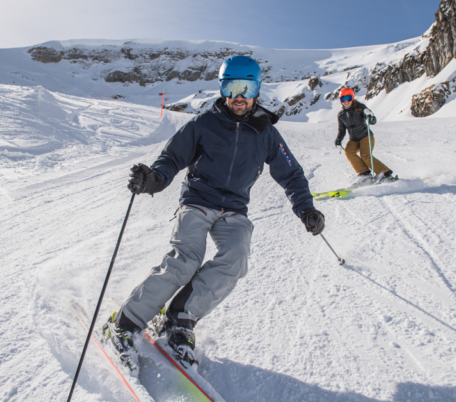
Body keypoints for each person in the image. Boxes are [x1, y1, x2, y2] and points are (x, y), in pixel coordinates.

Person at [104, 56, 325, 367]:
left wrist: (306, 209)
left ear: (257, 90)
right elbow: (171, 158)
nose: (238, 96)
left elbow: (291, 174)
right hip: (197, 200)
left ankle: (181, 319)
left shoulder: (266, 133)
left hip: (234, 210)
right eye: (231, 86)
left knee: (236, 258)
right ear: (222, 88)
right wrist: (152, 179)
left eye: (246, 88)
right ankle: (125, 324)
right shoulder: (204, 124)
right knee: (186, 261)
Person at [334, 87, 396, 184]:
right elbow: (342, 130)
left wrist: (370, 117)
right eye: (343, 99)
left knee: (365, 155)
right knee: (348, 151)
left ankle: (385, 173)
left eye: (348, 98)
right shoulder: (341, 115)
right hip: (354, 139)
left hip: (366, 136)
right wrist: (338, 140)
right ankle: (364, 173)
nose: (346, 101)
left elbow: (372, 120)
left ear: (352, 98)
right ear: (340, 100)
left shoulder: (359, 107)